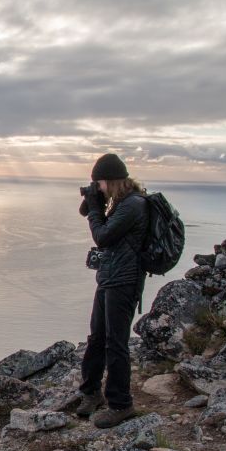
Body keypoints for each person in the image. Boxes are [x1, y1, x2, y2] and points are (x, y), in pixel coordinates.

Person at [76, 153, 148, 428]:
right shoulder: (119, 203)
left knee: (116, 343)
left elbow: (102, 236)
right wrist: (94, 203)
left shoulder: (133, 205)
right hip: (109, 279)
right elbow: (90, 216)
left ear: (111, 181)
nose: (98, 188)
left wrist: (96, 207)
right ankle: (91, 393)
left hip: (124, 282)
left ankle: (121, 404)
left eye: (99, 183)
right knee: (97, 338)